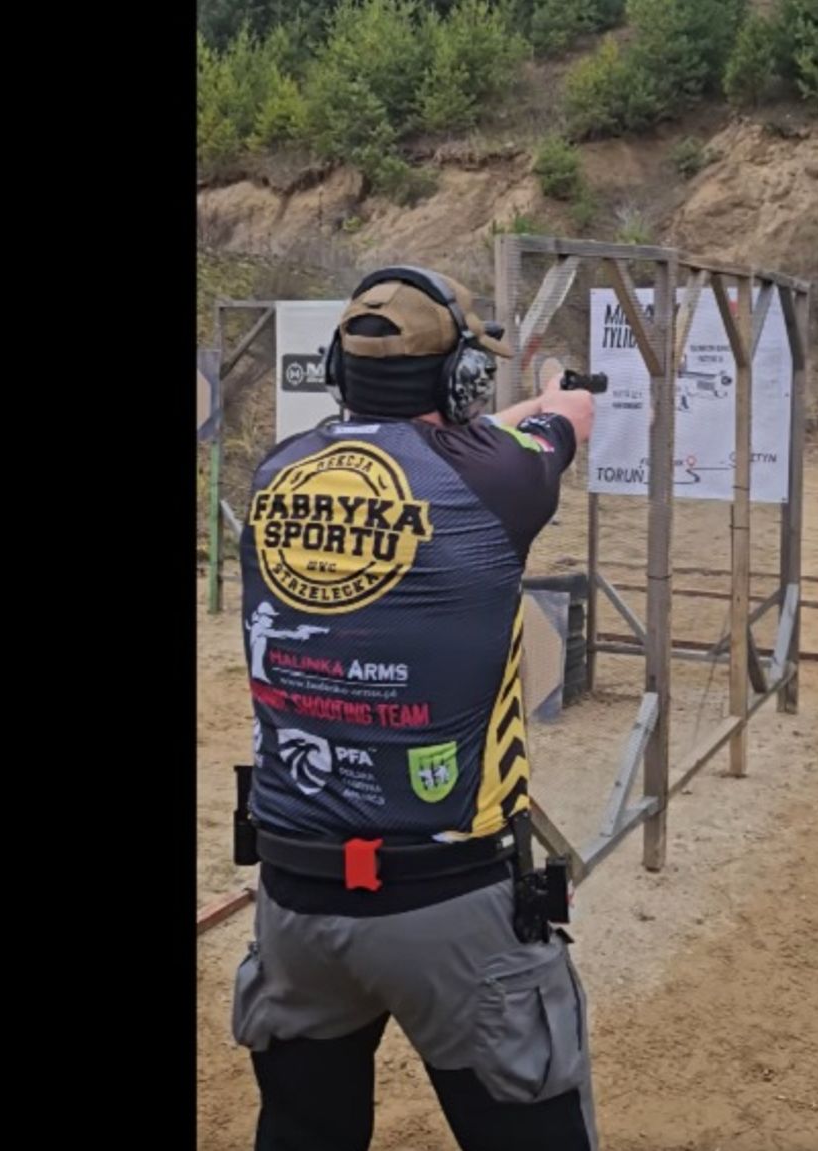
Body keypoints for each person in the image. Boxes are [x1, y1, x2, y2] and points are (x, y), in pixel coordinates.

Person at [231, 264, 598, 1151]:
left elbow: (433, 450)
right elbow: (557, 425)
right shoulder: (501, 483)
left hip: (294, 900)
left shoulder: (277, 473)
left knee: (302, 1132)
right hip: (451, 902)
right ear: (462, 382)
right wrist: (561, 394)